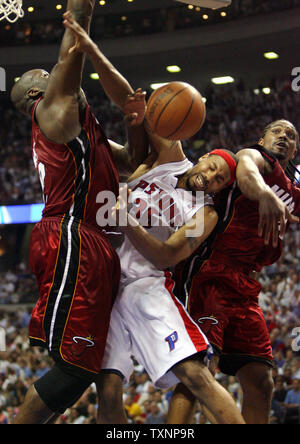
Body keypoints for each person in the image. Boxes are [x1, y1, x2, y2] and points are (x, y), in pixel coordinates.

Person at [61, 12, 245, 425]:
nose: (213, 176)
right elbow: (132, 103)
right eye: (215, 165)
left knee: (194, 375)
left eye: (221, 179)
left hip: (145, 287)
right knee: (107, 390)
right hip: (105, 282)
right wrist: (90, 49)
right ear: (206, 155)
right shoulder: (167, 158)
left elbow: (166, 256)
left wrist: (127, 220)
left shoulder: (206, 215)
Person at [10, 0, 147, 424]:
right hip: (73, 236)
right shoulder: (52, 113)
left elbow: (134, 159)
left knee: (100, 373)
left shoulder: (83, 127)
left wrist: (135, 120)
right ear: (38, 94)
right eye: (49, 79)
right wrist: (81, 10)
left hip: (89, 241)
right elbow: (73, 40)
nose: (60, 78)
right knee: (75, 369)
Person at [168, 119, 300, 424]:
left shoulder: (292, 189)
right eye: (277, 131)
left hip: (246, 285)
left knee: (260, 379)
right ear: (262, 138)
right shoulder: (255, 158)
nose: (283, 136)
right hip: (211, 273)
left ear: (294, 150)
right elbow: (247, 172)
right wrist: (264, 194)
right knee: (200, 367)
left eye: (291, 136)